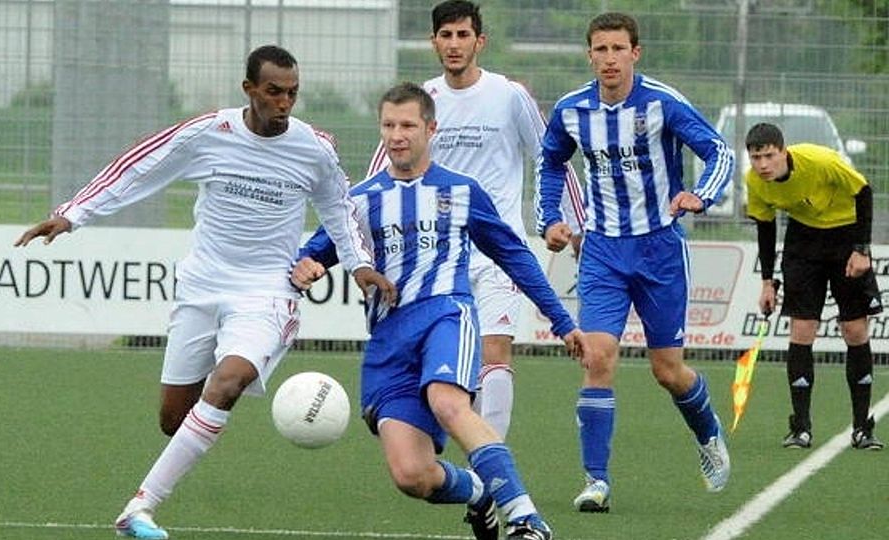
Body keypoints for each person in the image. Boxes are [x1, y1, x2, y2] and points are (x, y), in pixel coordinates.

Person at [15, 45, 395, 539]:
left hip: (266, 293)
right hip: (201, 288)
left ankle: (139, 509)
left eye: (293, 93)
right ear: (249, 90)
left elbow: (339, 209)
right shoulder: (207, 134)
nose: (284, 103)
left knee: (227, 382)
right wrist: (74, 213)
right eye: (274, 92)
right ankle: (171, 465)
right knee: (175, 419)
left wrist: (360, 265)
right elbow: (139, 167)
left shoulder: (313, 148)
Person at [293, 82, 588, 540]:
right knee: (413, 475)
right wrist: (307, 265)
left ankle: (527, 519)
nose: (397, 135)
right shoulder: (360, 201)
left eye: (408, 125)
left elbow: (516, 258)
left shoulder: (463, 191)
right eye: (389, 125)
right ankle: (479, 493)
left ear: (431, 128)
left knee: (448, 402)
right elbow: (315, 252)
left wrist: (563, 321)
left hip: (446, 315)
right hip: (389, 344)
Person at [535, 12, 735, 513]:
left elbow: (720, 152)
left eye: (617, 49)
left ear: (635, 53)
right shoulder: (571, 110)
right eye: (599, 49)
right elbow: (551, 160)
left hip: (660, 249)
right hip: (602, 250)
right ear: (589, 55)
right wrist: (549, 220)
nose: (609, 58)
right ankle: (595, 481)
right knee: (598, 357)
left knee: (668, 371)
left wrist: (701, 196)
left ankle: (708, 433)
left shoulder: (663, 102)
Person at [364, 0, 586, 447]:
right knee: (440, 365)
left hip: (497, 249)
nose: (454, 44)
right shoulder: (424, 101)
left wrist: (569, 222)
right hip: (436, 254)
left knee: (495, 350)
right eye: (445, 36)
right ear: (433, 42)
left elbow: (551, 156)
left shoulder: (508, 95)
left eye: (463, 35)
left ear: (479, 41)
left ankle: (491, 465)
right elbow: (379, 176)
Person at [744, 122, 884, 450]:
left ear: (783, 151)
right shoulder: (755, 182)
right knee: (802, 329)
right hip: (803, 242)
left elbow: (863, 192)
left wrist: (861, 250)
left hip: (846, 235)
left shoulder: (819, 161)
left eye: (768, 156)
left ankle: (862, 427)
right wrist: (767, 283)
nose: (763, 165)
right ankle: (801, 428)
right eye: (755, 158)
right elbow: (765, 228)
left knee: (854, 330)